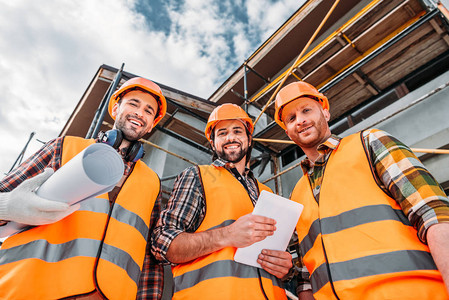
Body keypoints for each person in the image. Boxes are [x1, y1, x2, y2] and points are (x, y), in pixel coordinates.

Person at [273, 80, 449, 300]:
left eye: (306, 110)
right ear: (288, 133)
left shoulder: (370, 143)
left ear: (325, 113)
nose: (301, 120)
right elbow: (305, 277)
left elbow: (433, 213)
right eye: (291, 118)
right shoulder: (296, 194)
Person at [0, 77, 167, 300]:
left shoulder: (151, 182)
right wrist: (7, 206)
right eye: (133, 104)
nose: (140, 113)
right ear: (116, 108)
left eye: (148, 111)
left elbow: (148, 259)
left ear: (151, 124)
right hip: (32, 287)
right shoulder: (65, 147)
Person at [152, 103, 293, 299]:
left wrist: (285, 267)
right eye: (222, 133)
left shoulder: (267, 193)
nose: (230, 138)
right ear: (213, 142)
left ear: (249, 139)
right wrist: (227, 235)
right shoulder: (197, 176)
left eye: (237, 131)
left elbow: (279, 257)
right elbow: (162, 244)